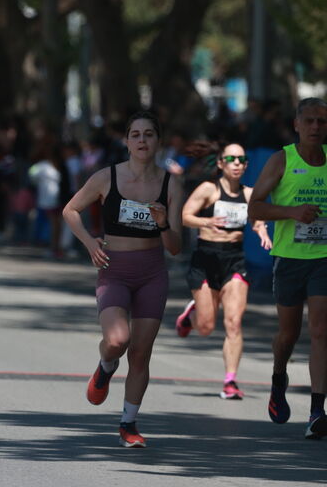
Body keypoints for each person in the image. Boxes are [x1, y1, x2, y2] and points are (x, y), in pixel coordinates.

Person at [62, 111, 183, 448]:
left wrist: (162, 223)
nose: (142, 141)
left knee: (141, 352)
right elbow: (70, 210)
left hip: (152, 273)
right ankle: (105, 365)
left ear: (158, 140)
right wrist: (89, 243)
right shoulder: (107, 177)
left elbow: (175, 247)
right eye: (135, 135)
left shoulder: (171, 183)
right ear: (127, 141)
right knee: (118, 340)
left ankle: (128, 423)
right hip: (114, 268)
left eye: (149, 134)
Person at [248, 97, 327, 439]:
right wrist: (292, 212)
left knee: (322, 331)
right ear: (296, 124)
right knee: (288, 335)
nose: (315, 127)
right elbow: (255, 208)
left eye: (322, 122)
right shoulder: (283, 159)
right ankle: (279, 376)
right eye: (308, 121)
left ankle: (316, 412)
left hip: (323, 258)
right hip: (291, 260)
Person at [176, 143, 272, 399]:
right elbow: (184, 216)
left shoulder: (250, 194)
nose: (237, 163)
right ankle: (191, 315)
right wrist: (206, 221)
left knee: (233, 322)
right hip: (206, 259)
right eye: (231, 159)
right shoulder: (209, 189)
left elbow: (257, 219)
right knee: (206, 327)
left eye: (242, 159)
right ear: (220, 163)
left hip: (234, 262)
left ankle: (231, 381)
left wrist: (261, 231)